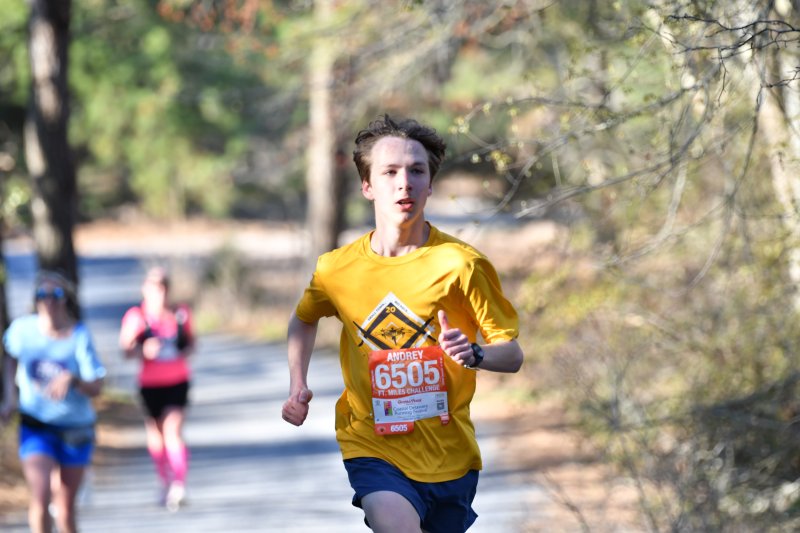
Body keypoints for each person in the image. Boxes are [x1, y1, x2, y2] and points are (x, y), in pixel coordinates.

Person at [282, 114, 524, 533]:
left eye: (417, 171)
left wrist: (475, 352)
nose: (404, 183)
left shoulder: (461, 264)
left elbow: (513, 355)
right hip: (372, 446)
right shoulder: (336, 269)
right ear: (368, 186)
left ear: (430, 184)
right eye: (390, 172)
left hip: (449, 456)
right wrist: (297, 383)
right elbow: (303, 321)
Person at [0, 270, 106, 533]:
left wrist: (72, 379)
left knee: (66, 508)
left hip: (76, 428)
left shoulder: (78, 336)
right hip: (36, 425)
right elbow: (10, 358)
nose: (48, 300)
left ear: (65, 299)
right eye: (42, 294)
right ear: (35, 300)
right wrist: (9, 398)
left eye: (55, 294)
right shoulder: (22, 330)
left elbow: (96, 386)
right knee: (40, 495)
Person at [119, 266, 195, 511]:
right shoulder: (136, 317)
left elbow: (192, 344)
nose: (158, 292)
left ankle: (179, 485)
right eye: (153, 286)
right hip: (150, 385)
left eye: (162, 287)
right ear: (145, 289)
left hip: (177, 382)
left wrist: (182, 350)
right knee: (156, 436)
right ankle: (163, 482)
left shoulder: (180, 314)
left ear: (168, 290)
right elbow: (126, 350)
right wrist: (144, 351)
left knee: (173, 431)